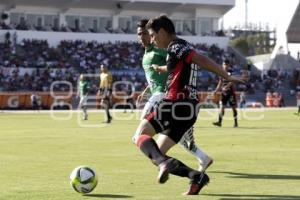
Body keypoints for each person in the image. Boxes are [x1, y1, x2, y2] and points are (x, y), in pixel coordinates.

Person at [133, 15, 245, 195]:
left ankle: (164, 164)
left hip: (175, 102)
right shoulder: (180, 47)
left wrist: (227, 76)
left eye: (153, 35)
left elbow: (203, 60)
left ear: (162, 32)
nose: (152, 39)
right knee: (156, 153)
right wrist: (158, 72)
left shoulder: (176, 47)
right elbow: (172, 68)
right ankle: (196, 177)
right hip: (190, 109)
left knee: (140, 136)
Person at [133, 19, 213, 172]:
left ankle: (167, 163)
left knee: (140, 136)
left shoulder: (161, 50)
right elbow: (155, 76)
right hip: (158, 94)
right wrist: (146, 90)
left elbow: (178, 65)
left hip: (165, 95)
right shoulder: (148, 52)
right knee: (174, 136)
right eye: (139, 34)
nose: (142, 37)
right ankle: (201, 159)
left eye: (145, 33)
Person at [212, 59, 239, 128]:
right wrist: (215, 91)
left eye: (226, 64)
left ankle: (236, 123)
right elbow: (220, 83)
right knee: (221, 107)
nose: (225, 66)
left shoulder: (231, 72)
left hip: (231, 93)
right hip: (224, 93)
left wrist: (226, 87)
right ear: (222, 65)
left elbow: (232, 81)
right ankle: (219, 122)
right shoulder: (221, 72)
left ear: (229, 65)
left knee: (233, 108)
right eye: (224, 64)